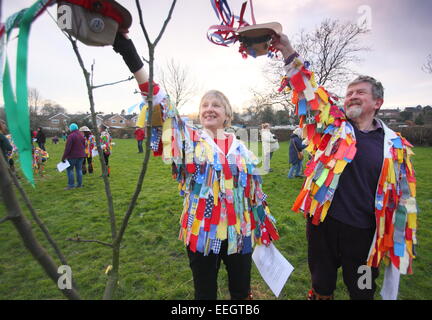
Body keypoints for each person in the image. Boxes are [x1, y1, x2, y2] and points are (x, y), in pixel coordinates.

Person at [111, 32, 280, 300]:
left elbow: (254, 196)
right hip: (201, 232)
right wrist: (131, 55)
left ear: (227, 114)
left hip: (240, 234)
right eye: (204, 105)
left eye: (216, 105)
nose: (209, 109)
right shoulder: (190, 142)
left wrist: (263, 227)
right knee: (204, 293)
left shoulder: (244, 151)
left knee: (240, 291)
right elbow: (161, 104)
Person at [273, 33, 418, 300]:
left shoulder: (396, 147)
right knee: (321, 285)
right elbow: (308, 91)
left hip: (364, 234)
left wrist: (401, 238)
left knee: (362, 290)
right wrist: (287, 50)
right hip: (322, 226)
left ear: (377, 103)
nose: (351, 96)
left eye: (360, 92)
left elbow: (404, 197)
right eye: (349, 92)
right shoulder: (333, 127)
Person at [62, 123, 86, 190]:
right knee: (79, 170)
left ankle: (71, 185)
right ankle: (79, 184)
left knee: (70, 170)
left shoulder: (71, 136)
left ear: (71, 129)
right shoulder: (81, 135)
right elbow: (84, 145)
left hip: (72, 156)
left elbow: (68, 148)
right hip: (81, 156)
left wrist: (63, 157)